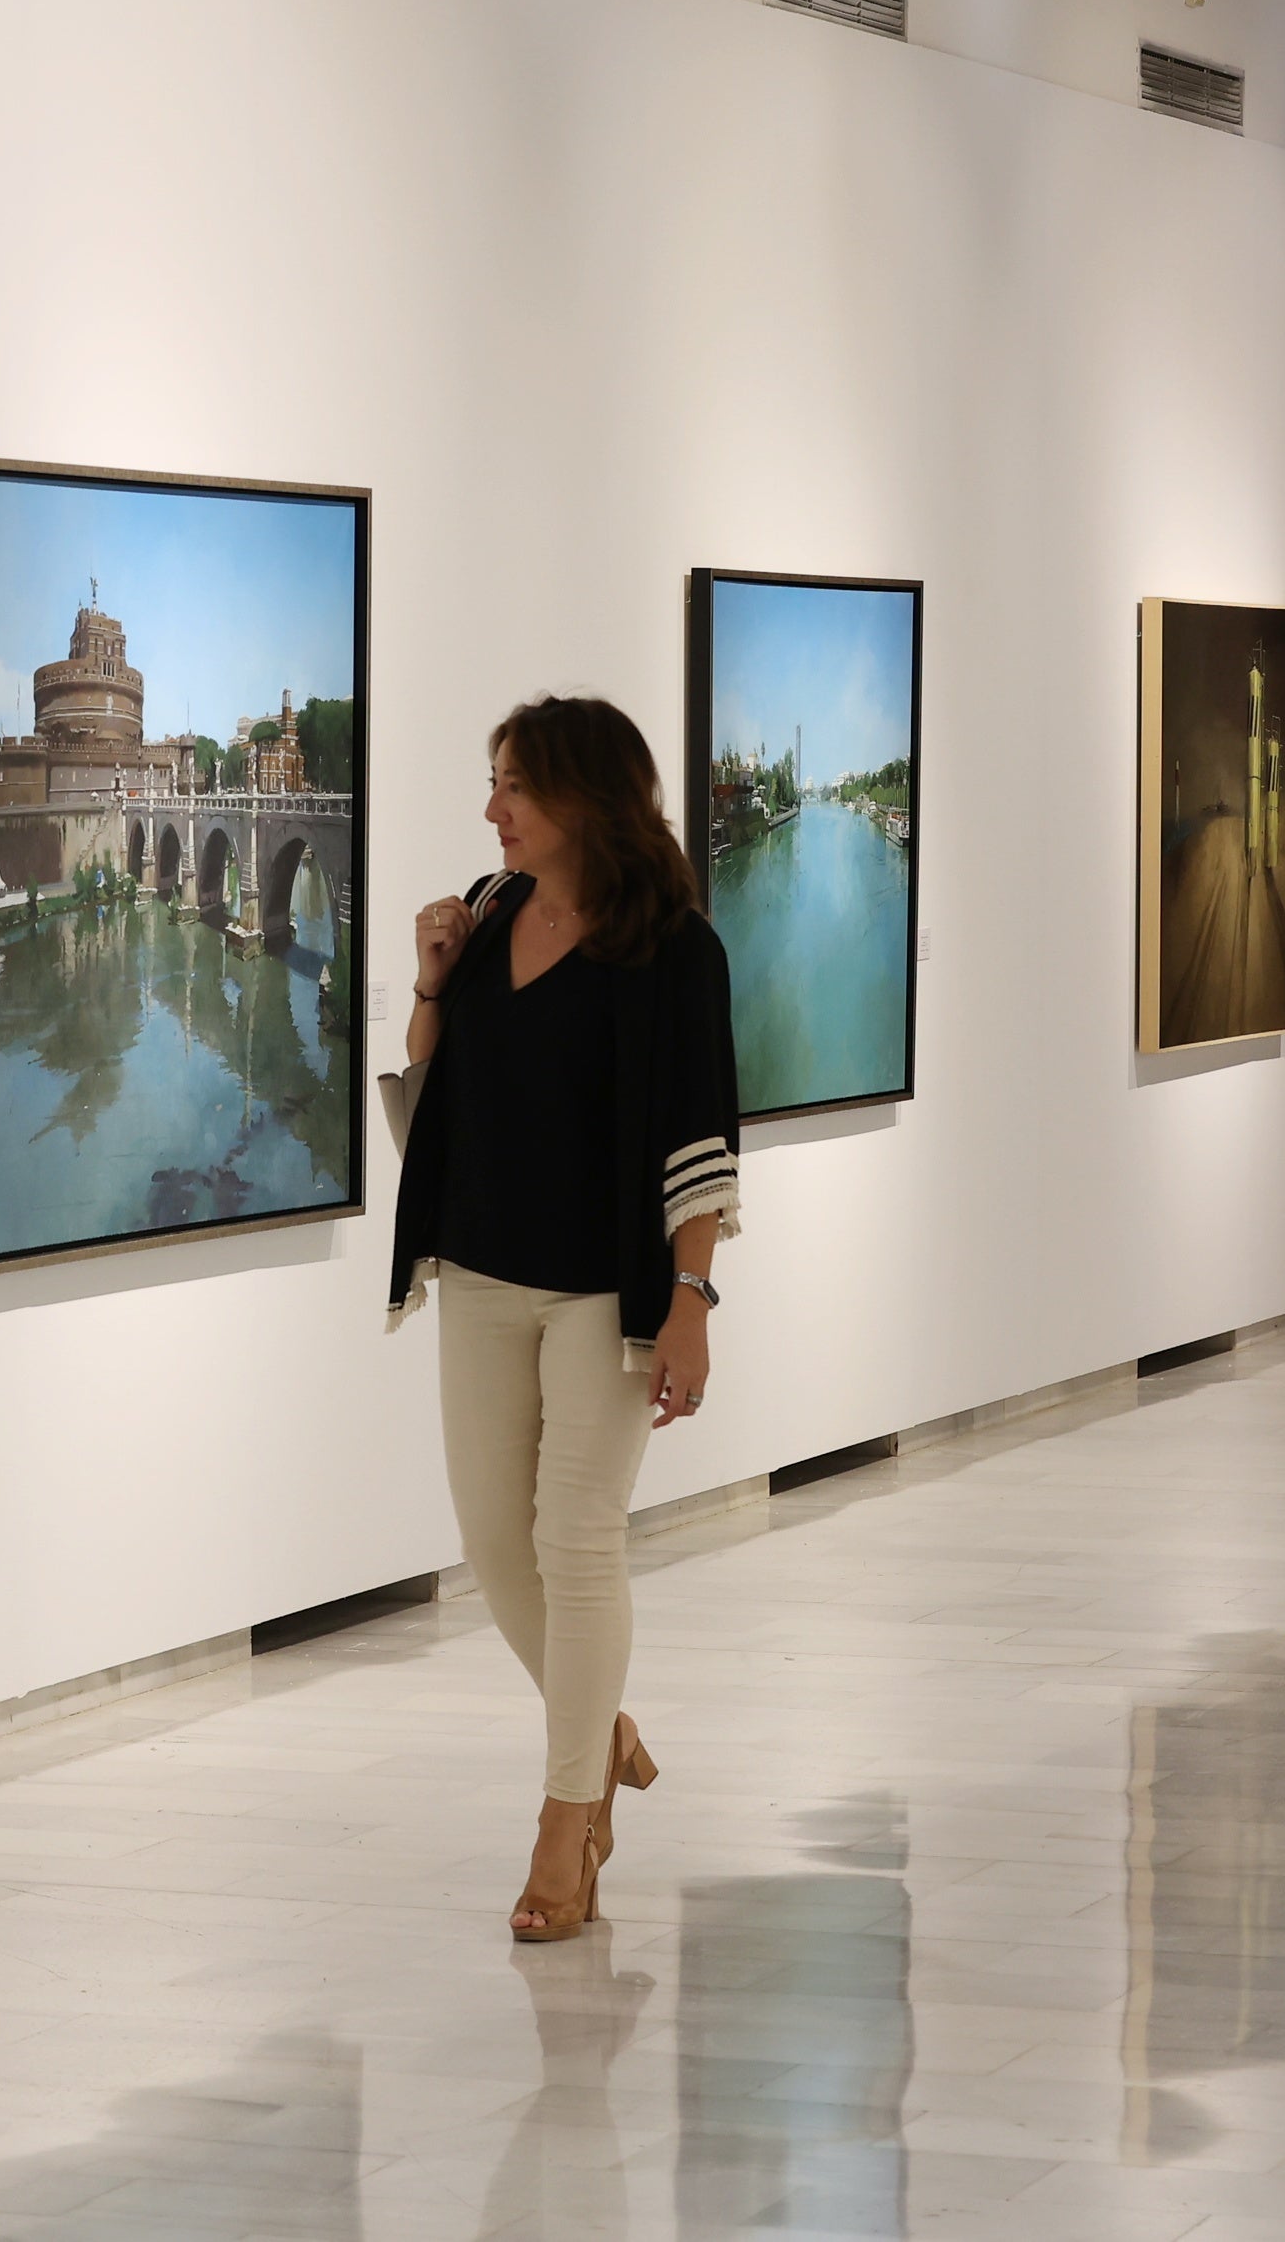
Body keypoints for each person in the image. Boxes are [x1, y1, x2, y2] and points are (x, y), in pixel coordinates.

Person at [386, 694, 740, 1941]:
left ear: (583, 796)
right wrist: (429, 985)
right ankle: (603, 1732)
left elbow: (700, 1137)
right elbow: (431, 1104)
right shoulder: (482, 922)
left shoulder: (674, 947)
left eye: (512, 789)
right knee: (493, 1544)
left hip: (604, 1292)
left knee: (574, 1540)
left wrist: (690, 1302)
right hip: (479, 1276)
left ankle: (563, 1821)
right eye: (492, 786)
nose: (491, 811)